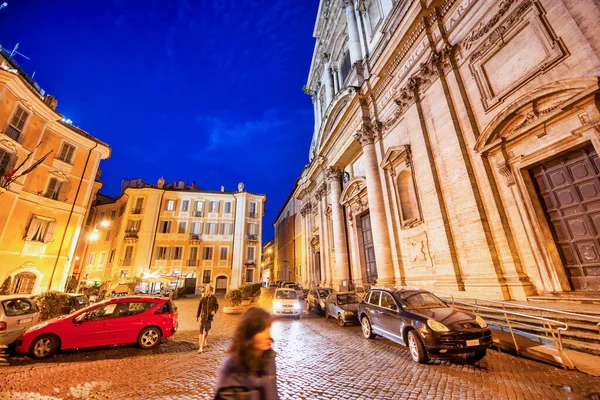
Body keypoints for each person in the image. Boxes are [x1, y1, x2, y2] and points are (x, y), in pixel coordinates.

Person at [214, 307, 278, 400]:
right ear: (249, 334)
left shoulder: (269, 360)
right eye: (262, 330)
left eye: (268, 329)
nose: (268, 335)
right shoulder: (232, 368)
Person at [196, 285, 219, 353]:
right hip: (203, 316)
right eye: (206, 291)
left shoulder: (214, 298)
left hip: (210, 317)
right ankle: (200, 347)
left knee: (207, 330)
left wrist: (214, 311)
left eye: (208, 291)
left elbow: (217, 306)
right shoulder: (203, 299)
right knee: (201, 330)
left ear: (211, 291)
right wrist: (197, 316)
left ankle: (205, 339)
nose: (206, 292)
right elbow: (199, 308)